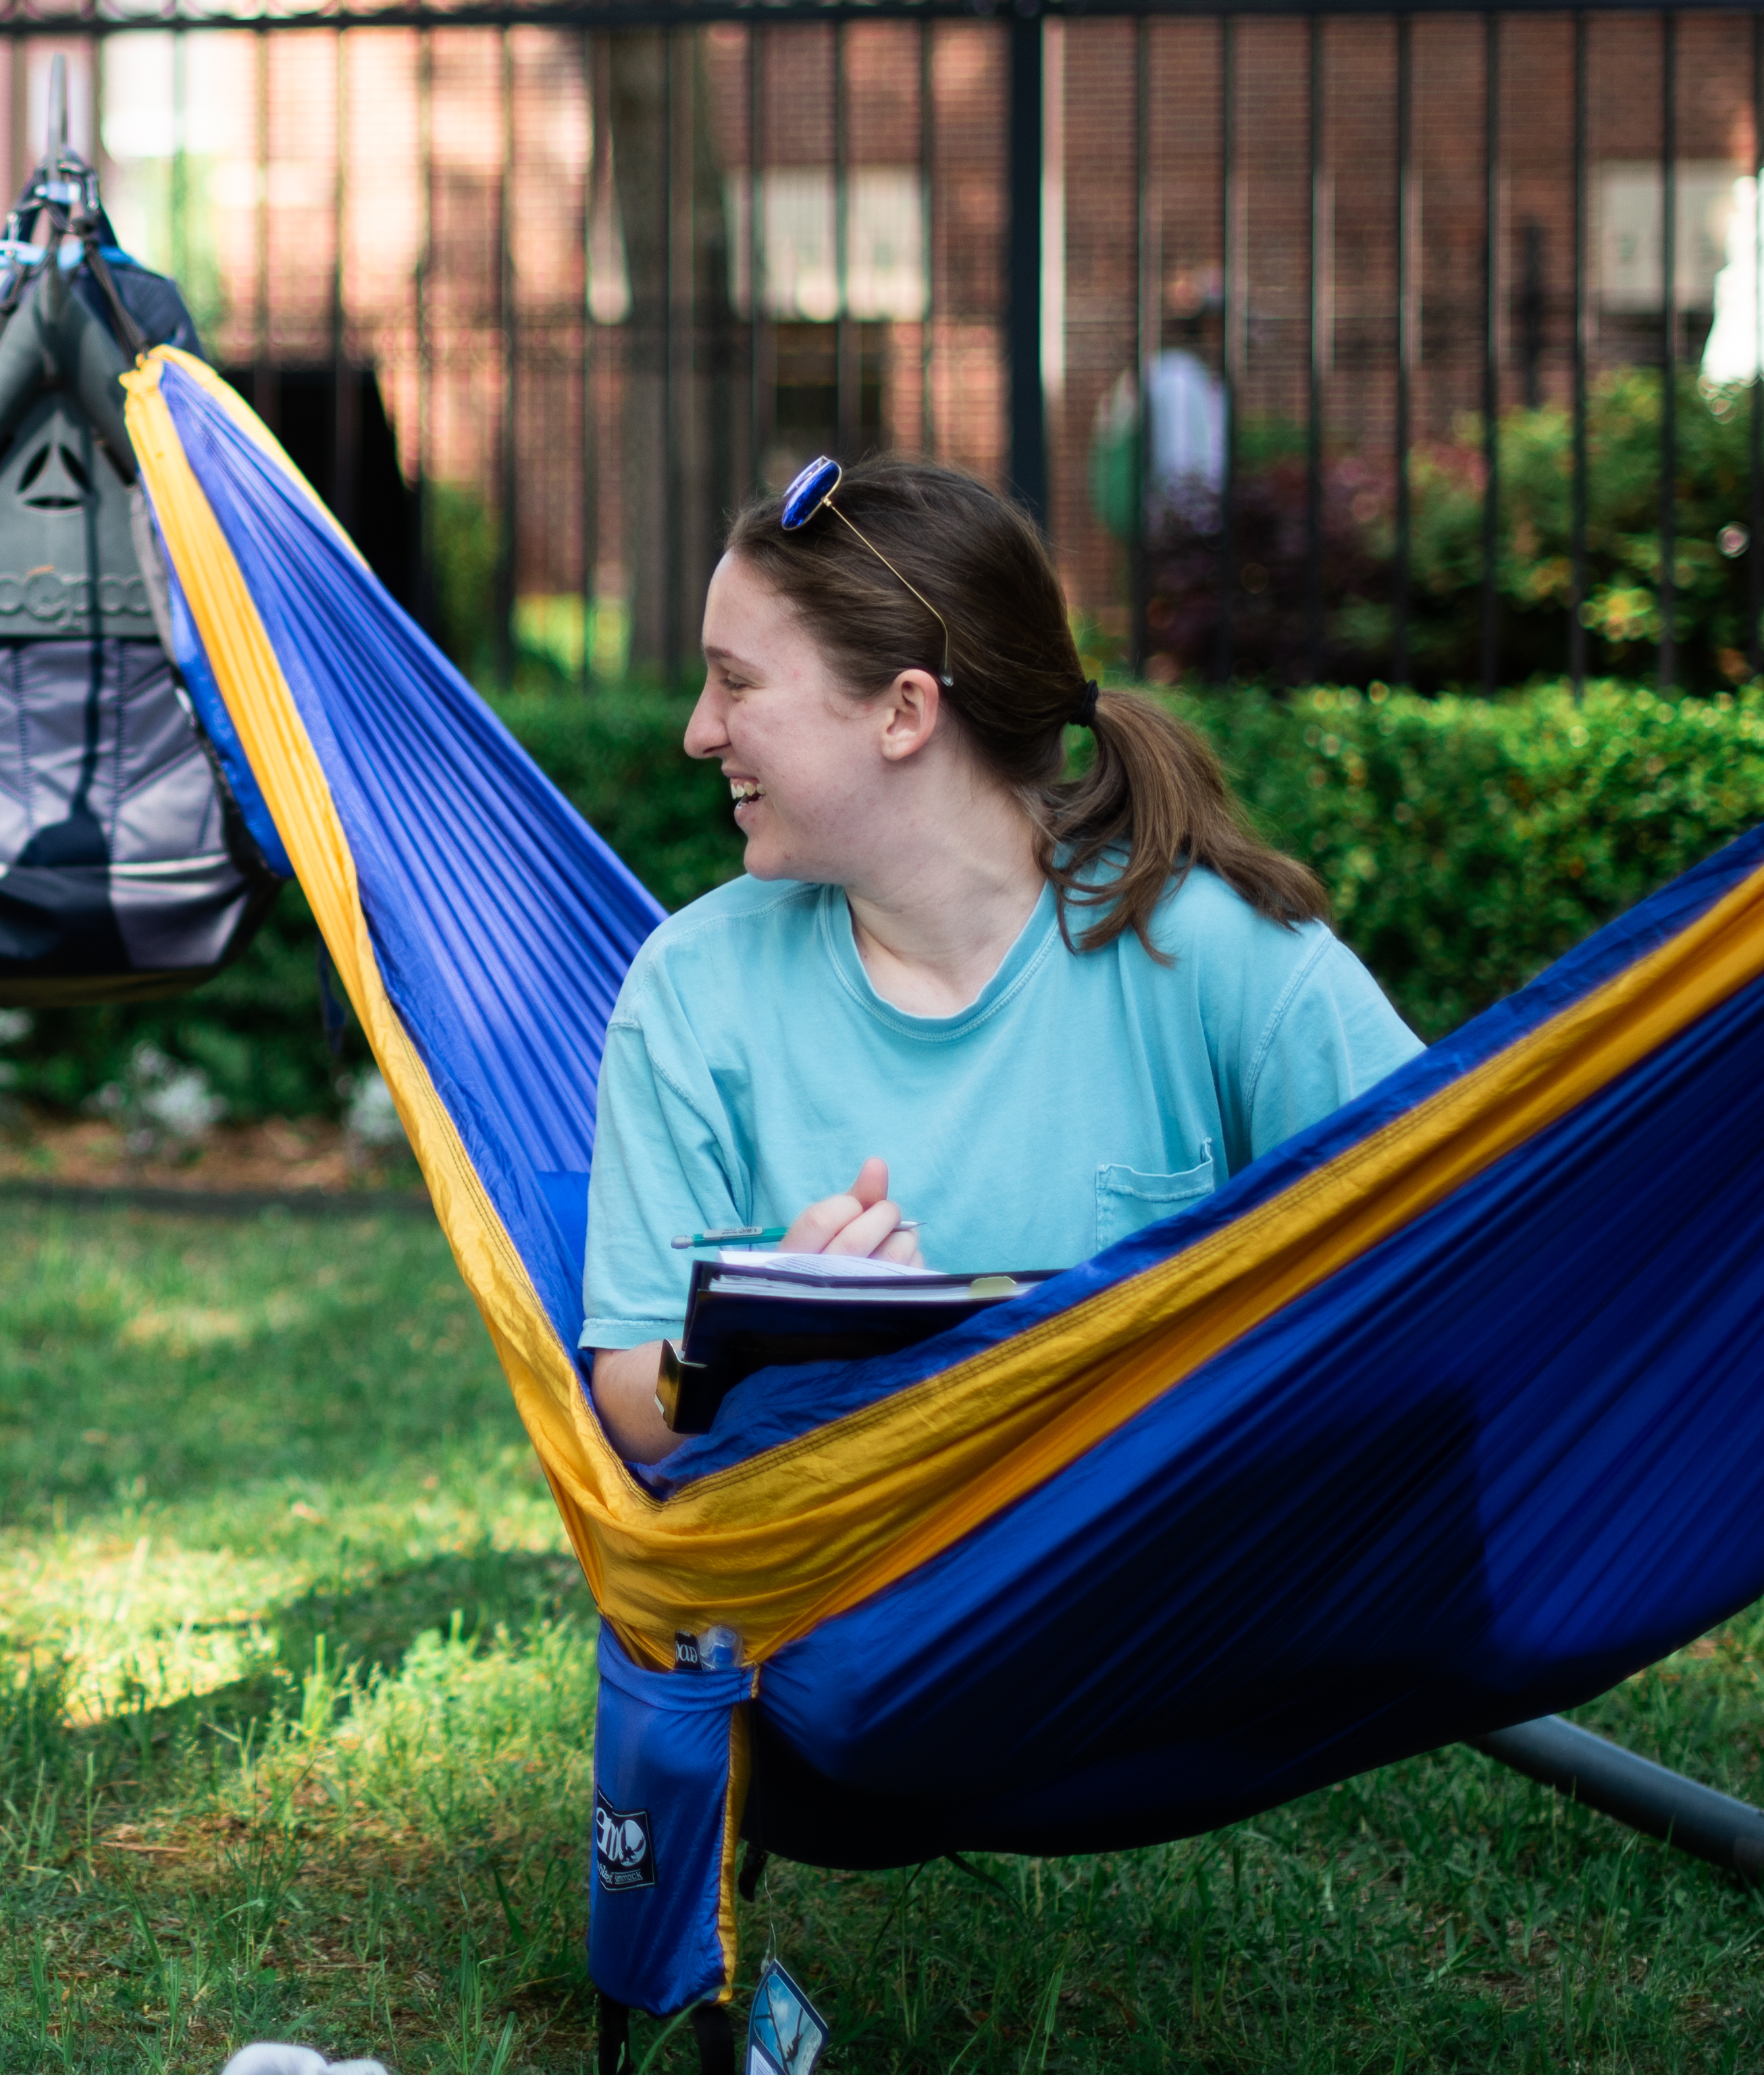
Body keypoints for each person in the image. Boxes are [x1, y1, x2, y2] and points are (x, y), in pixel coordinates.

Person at [581, 457, 1420, 1467]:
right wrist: (738, 1350)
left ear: (903, 713)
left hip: (1197, 1572)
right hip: (872, 1596)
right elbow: (633, 1398)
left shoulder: (1215, 954)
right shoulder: (690, 992)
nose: (698, 732)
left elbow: (1448, 1237)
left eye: (737, 683)